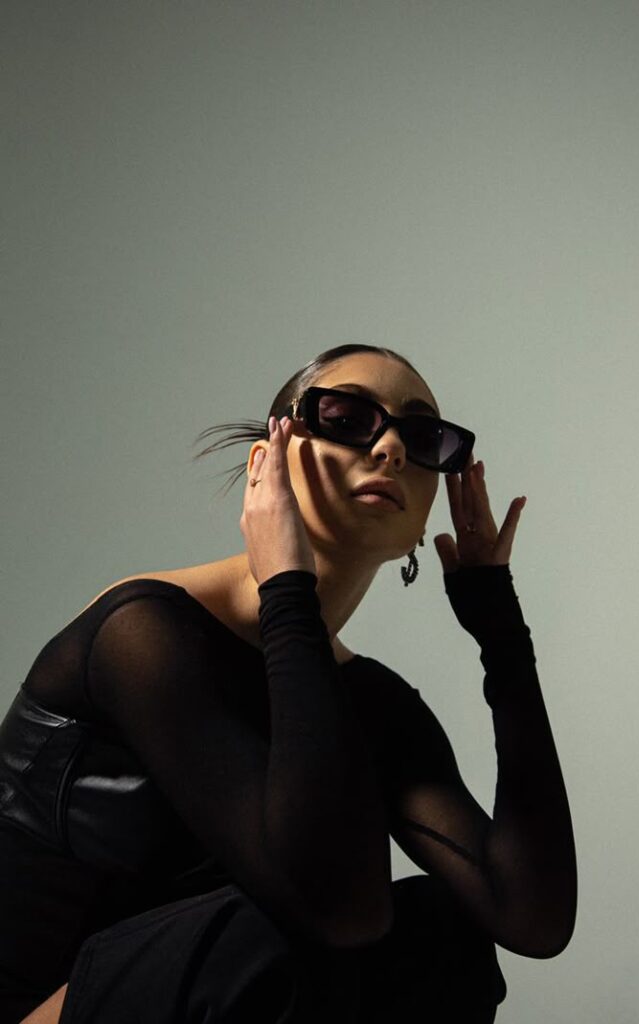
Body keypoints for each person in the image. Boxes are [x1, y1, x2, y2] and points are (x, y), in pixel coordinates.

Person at [0, 343, 577, 1023]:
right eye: (344, 416)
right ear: (264, 463)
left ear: (427, 511)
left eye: (422, 437)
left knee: (442, 931)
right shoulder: (144, 633)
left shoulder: (375, 703)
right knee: (279, 918)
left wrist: (502, 639)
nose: (390, 448)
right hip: (37, 1007)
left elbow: (529, 915)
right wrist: (287, 588)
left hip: (204, 998)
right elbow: (337, 907)